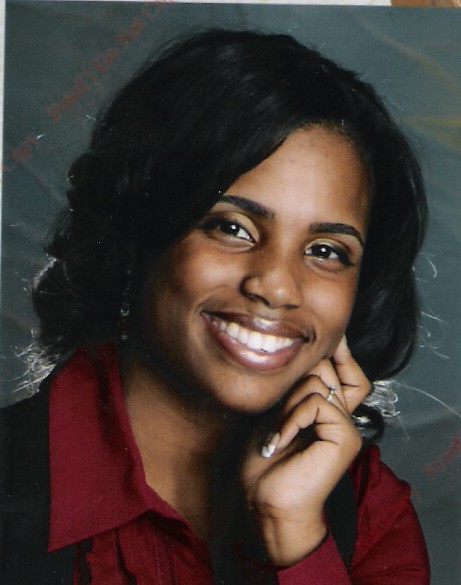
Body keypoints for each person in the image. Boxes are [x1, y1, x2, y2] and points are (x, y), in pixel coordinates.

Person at [0, 29, 430, 584]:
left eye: (326, 251)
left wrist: (296, 542)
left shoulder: (371, 510)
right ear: (136, 235)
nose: (277, 287)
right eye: (232, 227)